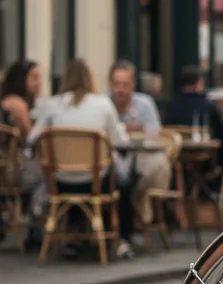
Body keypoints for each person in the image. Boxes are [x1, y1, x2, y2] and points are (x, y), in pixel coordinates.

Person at [28, 59, 135, 260]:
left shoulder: (52, 106)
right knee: (123, 180)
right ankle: (120, 239)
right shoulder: (103, 105)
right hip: (95, 181)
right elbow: (120, 141)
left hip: (60, 181)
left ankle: (74, 237)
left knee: (74, 174)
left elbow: (32, 138)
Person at [109, 60, 171, 235]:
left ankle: (135, 198)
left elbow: (155, 134)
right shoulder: (104, 103)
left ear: (133, 85)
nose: (120, 90)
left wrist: (140, 130)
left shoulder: (144, 103)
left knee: (156, 164)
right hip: (112, 157)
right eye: (116, 84)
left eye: (125, 85)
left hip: (140, 155)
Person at [0, 59, 46, 224]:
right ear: (21, 79)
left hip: (10, 168)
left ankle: (30, 215)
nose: (38, 83)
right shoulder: (16, 104)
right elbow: (31, 138)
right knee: (51, 173)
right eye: (34, 77)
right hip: (11, 171)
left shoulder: (20, 102)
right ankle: (34, 216)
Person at [162, 65, 223, 167]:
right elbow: (221, 136)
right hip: (203, 160)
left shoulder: (171, 106)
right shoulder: (208, 106)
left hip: (176, 159)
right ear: (199, 83)